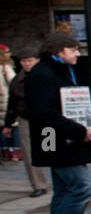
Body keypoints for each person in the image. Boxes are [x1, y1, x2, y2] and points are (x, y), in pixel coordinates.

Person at [25, 32, 91, 214]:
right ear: (59, 50)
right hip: (54, 140)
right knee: (82, 187)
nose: (78, 53)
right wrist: (77, 130)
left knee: (64, 191)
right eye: (73, 49)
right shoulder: (43, 74)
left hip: (64, 141)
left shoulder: (58, 70)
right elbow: (45, 113)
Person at [2, 48, 50, 196]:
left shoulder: (47, 76)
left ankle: (60, 181)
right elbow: (13, 103)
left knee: (50, 149)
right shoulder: (17, 81)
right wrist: (8, 123)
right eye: (24, 61)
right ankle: (39, 185)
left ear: (37, 61)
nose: (27, 64)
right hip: (26, 119)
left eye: (30, 61)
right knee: (29, 154)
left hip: (47, 119)